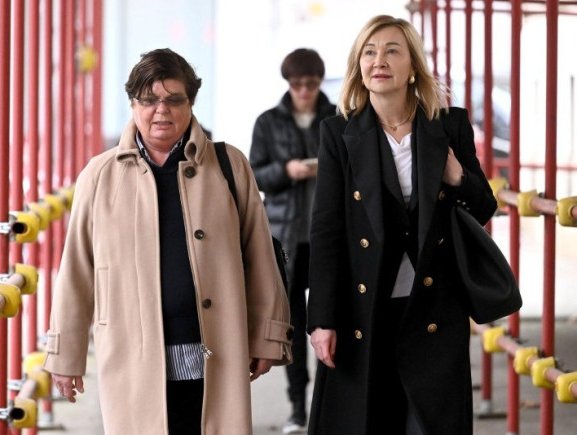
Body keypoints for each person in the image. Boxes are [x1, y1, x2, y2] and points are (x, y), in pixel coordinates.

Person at [43, 48, 293, 435]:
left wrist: (267, 336)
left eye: (174, 100)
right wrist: (65, 353)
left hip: (215, 352)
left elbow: (260, 257)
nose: (161, 110)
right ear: (133, 104)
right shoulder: (99, 175)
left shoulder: (229, 166)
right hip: (131, 357)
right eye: (149, 100)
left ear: (190, 104)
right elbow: (77, 269)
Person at [307, 15, 497, 435]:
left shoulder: (449, 125)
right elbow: (326, 231)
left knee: (430, 422)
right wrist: (321, 319)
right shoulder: (338, 133)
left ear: (413, 65)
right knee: (367, 419)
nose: (379, 60)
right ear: (359, 66)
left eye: (392, 50)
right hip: (363, 306)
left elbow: (484, 207)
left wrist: (458, 177)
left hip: (434, 304)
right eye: (369, 52)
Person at [249, 48, 336, 434]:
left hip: (328, 237)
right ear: (288, 83)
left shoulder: (338, 119)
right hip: (285, 238)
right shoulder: (268, 122)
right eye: (297, 84)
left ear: (319, 83)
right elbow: (254, 175)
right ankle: (298, 409)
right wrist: (287, 171)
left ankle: (329, 406)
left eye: (310, 84)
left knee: (330, 320)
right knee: (293, 325)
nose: (303, 91)